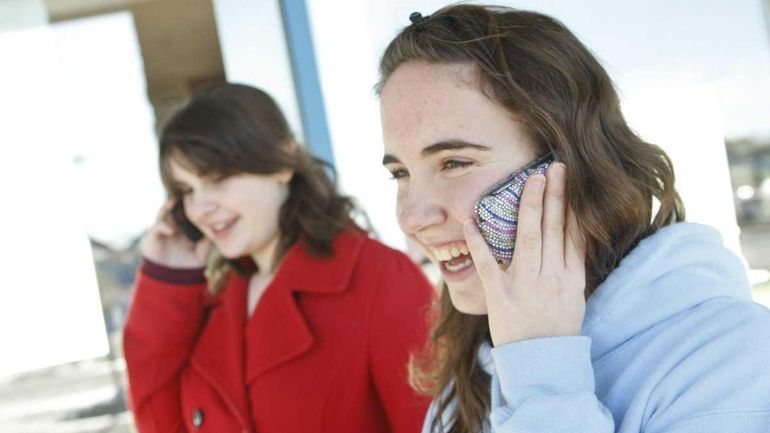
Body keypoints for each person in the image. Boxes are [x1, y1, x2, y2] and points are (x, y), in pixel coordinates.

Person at [376, 4, 770, 433]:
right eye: (401, 173)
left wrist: (540, 371)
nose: (413, 217)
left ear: (571, 165)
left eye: (454, 162)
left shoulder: (735, 359)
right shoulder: (465, 387)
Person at [123, 83, 434, 433]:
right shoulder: (215, 303)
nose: (200, 208)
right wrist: (167, 280)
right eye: (186, 191)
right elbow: (160, 423)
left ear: (283, 162)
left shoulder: (378, 278)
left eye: (218, 178)